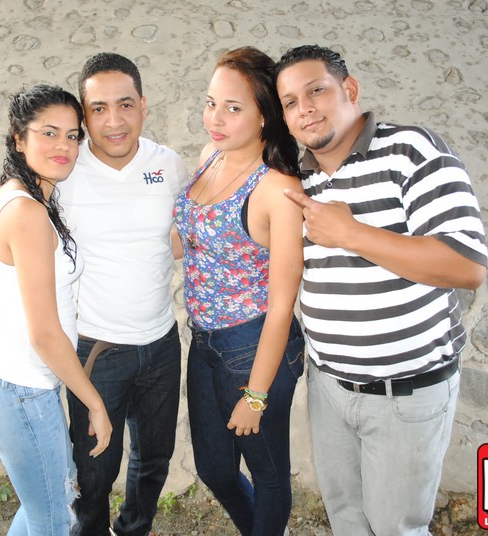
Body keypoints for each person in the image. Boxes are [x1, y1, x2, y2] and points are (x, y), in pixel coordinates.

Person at [275, 45, 488, 535]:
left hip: (406, 393)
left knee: (395, 527)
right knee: (347, 518)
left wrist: (351, 233)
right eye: (289, 102)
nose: (303, 108)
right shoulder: (301, 178)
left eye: (315, 91)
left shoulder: (411, 149)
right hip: (329, 387)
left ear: (349, 90)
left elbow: (466, 264)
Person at [0, 54, 187, 536]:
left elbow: (181, 235)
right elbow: (20, 234)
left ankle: (133, 530)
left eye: (125, 104)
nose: (114, 121)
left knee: (153, 461)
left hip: (161, 344)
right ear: (85, 114)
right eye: (98, 109)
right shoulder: (63, 169)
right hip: (94, 350)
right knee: (91, 474)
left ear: (144, 107)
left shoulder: (169, 165)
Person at [0, 84, 112, 535]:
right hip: (20, 392)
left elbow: (7, 259)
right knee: (53, 519)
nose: (64, 147)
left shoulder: (17, 192)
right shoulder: (28, 209)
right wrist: (95, 404)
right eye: (49, 133)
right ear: (18, 137)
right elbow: (45, 335)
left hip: (13, 387)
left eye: (72, 136)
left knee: (39, 510)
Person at [171, 47, 305, 536]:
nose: (215, 118)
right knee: (215, 470)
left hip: (252, 347)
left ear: (266, 116)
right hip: (204, 339)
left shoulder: (278, 191)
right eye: (211, 103)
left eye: (233, 108)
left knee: (268, 475)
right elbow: (186, 240)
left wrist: (256, 394)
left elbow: (281, 305)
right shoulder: (210, 158)